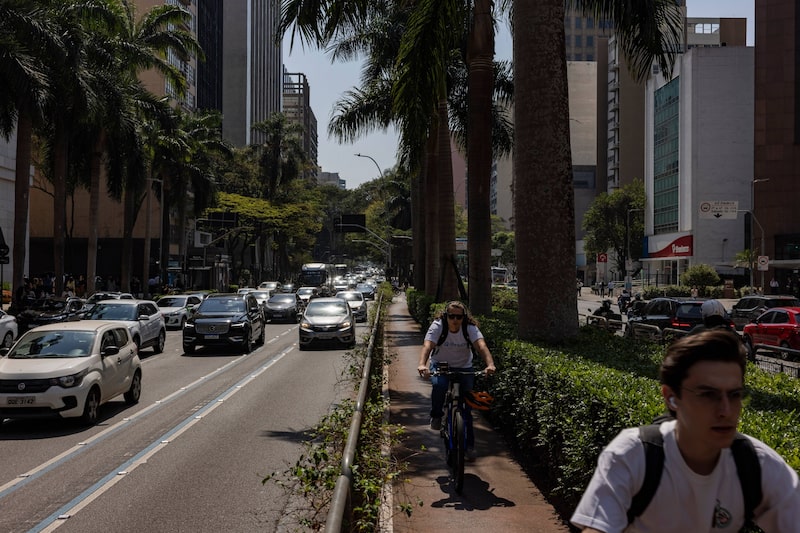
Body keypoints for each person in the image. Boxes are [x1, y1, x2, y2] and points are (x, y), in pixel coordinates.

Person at [571, 329, 800, 532]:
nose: (726, 410)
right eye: (707, 395)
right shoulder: (633, 455)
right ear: (671, 398)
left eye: (734, 394)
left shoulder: (755, 463)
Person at [417, 301, 496, 461]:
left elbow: (481, 346)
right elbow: (428, 346)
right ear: (446, 316)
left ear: (464, 317)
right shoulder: (438, 326)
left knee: (466, 408)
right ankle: (437, 415)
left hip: (464, 367)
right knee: (439, 385)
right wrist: (422, 364)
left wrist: (490, 364)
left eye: (458, 317)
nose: (455, 320)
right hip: (441, 365)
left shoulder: (470, 328)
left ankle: (469, 446)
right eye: (451, 316)